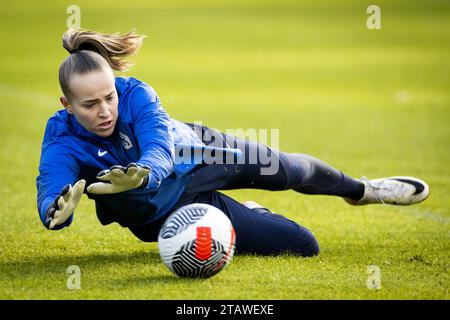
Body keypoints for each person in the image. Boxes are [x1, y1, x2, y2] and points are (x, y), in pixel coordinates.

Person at [36, 29, 429, 257]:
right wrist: (55, 210)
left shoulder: (136, 93)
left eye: (109, 96)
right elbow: (53, 188)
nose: (105, 110)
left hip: (200, 154)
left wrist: (143, 176)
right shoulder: (61, 139)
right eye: (90, 104)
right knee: (303, 246)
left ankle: (362, 190)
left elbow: (160, 147)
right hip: (163, 212)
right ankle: (254, 212)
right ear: (66, 105)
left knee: (287, 168)